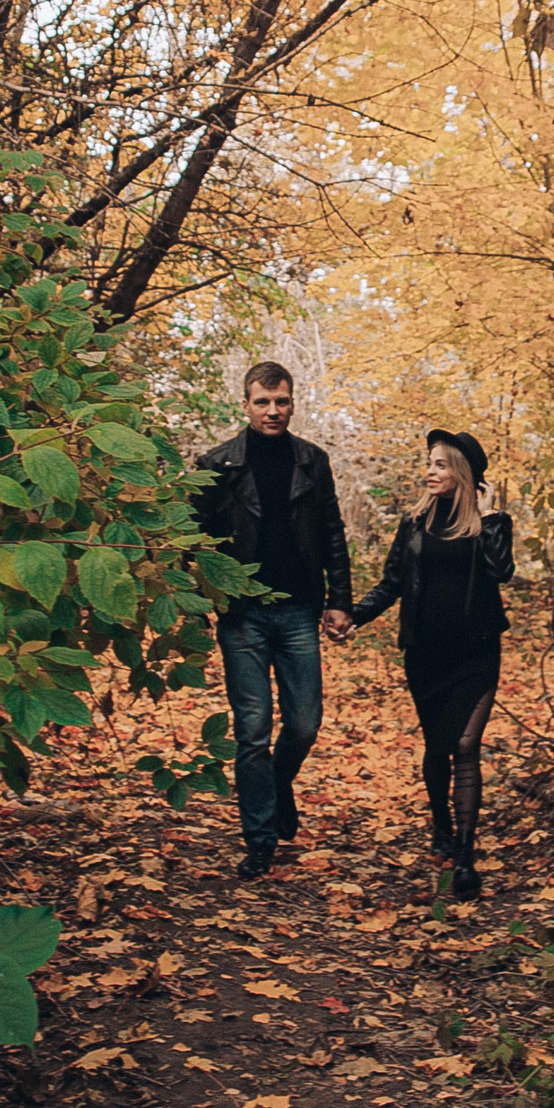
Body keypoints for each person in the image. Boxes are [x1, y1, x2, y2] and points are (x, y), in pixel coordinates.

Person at [192, 361, 353, 879]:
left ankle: (278, 786)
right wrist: (196, 601)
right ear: (245, 404)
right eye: (262, 402)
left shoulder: (312, 461)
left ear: (293, 402)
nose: (273, 411)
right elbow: (189, 539)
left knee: (304, 723)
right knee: (253, 729)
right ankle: (260, 839)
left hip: (300, 608)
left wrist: (339, 600)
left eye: (281, 401)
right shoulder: (218, 465)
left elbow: (332, 531)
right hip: (243, 615)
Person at [349, 429, 515, 901]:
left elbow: (502, 571)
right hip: (425, 653)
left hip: (475, 652)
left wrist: (491, 517)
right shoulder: (415, 522)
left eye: (441, 464)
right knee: (437, 745)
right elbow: (392, 583)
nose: (430, 471)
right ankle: (441, 826)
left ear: (463, 473)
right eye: (429, 462)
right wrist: (354, 615)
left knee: (465, 744)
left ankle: (465, 854)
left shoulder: (490, 523)